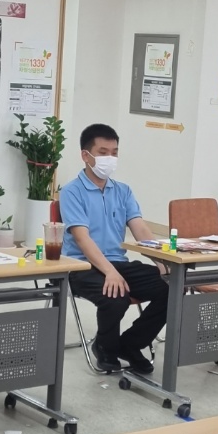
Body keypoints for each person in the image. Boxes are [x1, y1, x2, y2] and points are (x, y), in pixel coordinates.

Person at [60, 124, 168, 375]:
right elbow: (82, 239)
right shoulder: (71, 192)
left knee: (171, 288)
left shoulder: (123, 191)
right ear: (86, 155)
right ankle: (105, 348)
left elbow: (141, 230)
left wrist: (163, 262)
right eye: (103, 152)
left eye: (114, 152)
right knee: (116, 296)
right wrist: (109, 272)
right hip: (82, 267)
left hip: (118, 263)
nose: (110, 158)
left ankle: (130, 344)